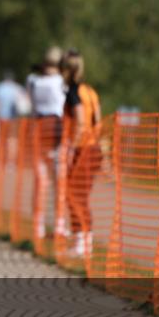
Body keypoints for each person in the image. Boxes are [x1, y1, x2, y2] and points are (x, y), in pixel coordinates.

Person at [62, 51, 102, 258]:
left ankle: (83, 242)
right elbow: (99, 119)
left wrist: (70, 148)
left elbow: (79, 120)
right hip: (95, 147)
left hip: (83, 148)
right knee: (77, 195)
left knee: (75, 194)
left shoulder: (73, 92)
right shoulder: (90, 91)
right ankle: (83, 240)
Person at [27, 47, 67, 240]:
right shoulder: (61, 82)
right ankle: (58, 225)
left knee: (40, 181)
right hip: (57, 130)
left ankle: (38, 226)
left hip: (37, 130)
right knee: (59, 181)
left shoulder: (33, 81)